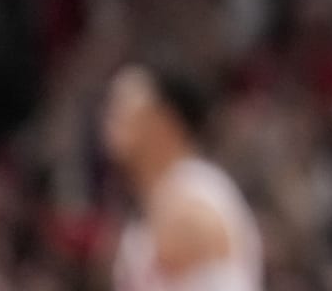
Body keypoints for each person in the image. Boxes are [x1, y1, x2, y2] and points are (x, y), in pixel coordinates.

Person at [103, 62, 263, 291]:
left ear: (165, 121)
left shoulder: (190, 204)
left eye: (124, 107)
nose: (111, 119)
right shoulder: (163, 195)